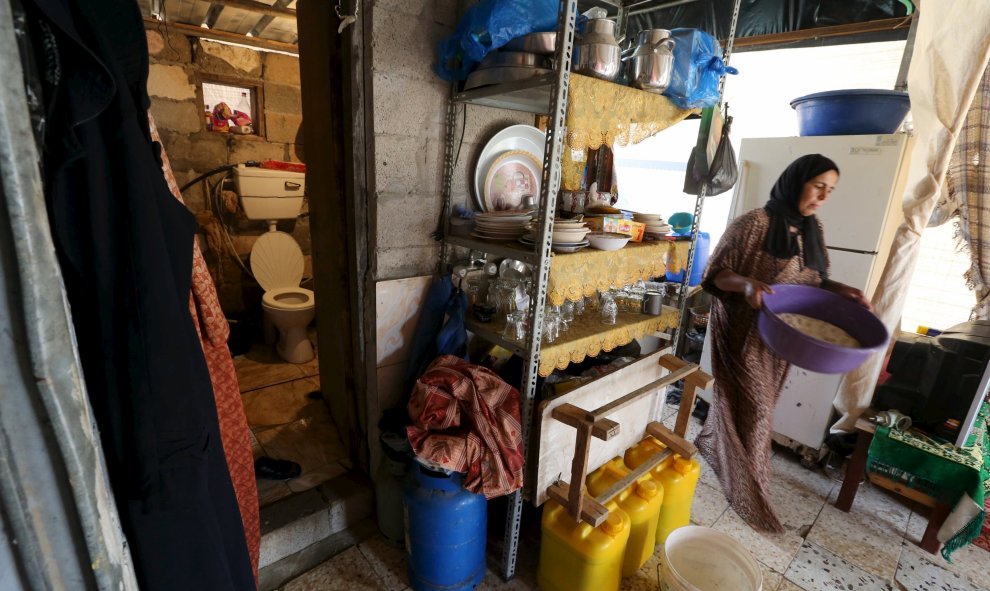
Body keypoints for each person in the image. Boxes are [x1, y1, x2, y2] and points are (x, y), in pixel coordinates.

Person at [695, 154, 870, 533]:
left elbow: (815, 283)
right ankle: (752, 492)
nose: (823, 196)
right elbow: (715, 275)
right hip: (741, 331)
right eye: (817, 186)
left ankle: (717, 448)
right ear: (796, 181)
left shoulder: (812, 229)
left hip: (779, 336)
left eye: (830, 190)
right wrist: (745, 284)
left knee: (755, 406)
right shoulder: (753, 224)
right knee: (756, 410)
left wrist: (844, 292)